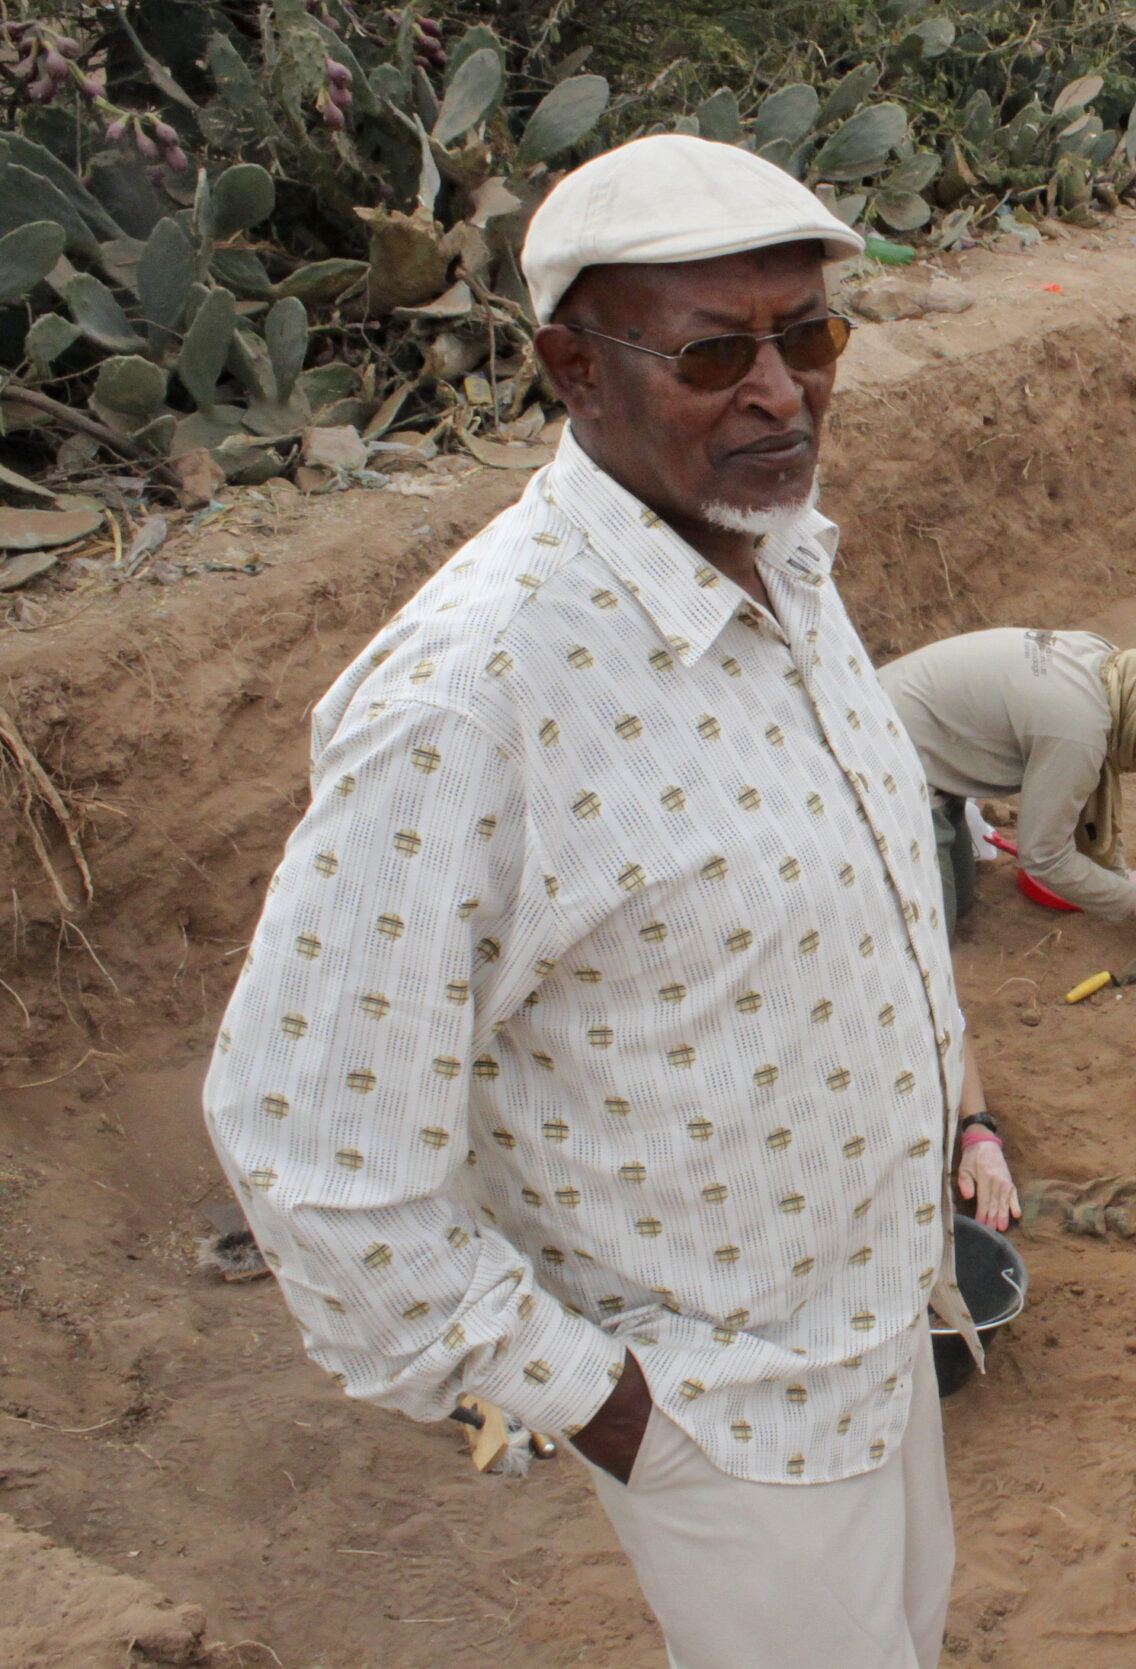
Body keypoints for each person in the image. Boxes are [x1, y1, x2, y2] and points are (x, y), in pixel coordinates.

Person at [200, 135, 1008, 1669]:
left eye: (810, 335)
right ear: (575, 367)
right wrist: (606, 1404)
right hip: (719, 1403)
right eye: (715, 352)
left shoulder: (780, 552)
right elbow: (308, 1141)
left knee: (911, 1633)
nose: (782, 393)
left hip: (882, 1314)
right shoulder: (474, 698)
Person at [879, 627, 1136, 933]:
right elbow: (1043, 856)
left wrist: (1117, 880)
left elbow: (1095, 782)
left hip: (923, 732)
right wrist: (1133, 900)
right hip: (884, 752)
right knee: (934, 929)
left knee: (963, 898)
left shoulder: (1110, 668)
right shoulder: (1078, 733)